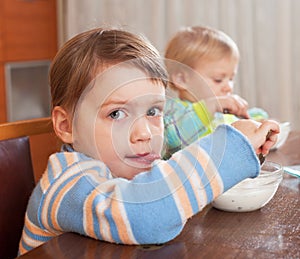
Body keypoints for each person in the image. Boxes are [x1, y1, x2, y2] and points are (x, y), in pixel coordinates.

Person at [18, 27, 279, 255]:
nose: (145, 133)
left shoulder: (127, 168)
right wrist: (231, 147)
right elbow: (145, 217)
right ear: (66, 126)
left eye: (153, 111)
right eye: (116, 114)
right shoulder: (67, 182)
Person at [164, 25, 269, 156]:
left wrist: (257, 122)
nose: (229, 87)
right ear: (182, 79)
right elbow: (173, 139)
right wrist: (211, 105)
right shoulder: (171, 110)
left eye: (231, 78)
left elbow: (238, 125)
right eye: (218, 79)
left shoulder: (220, 114)